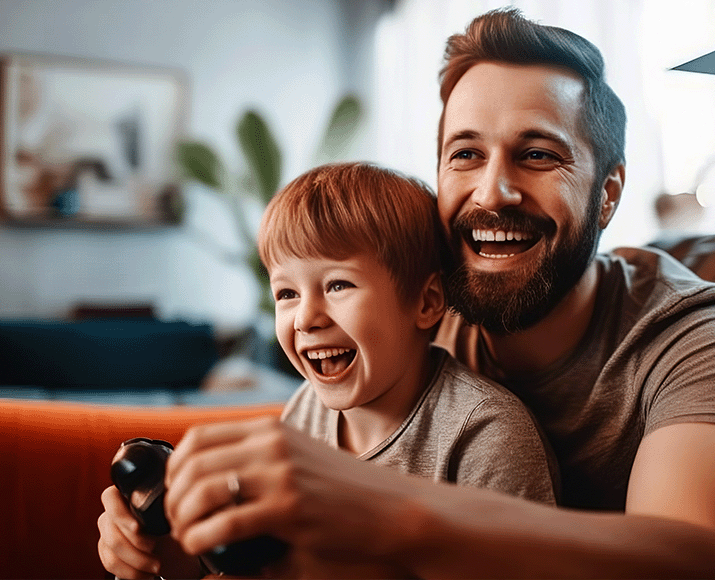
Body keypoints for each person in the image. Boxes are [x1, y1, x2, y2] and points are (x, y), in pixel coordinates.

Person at [158, 8, 715, 579]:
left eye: (536, 155)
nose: (491, 193)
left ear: (609, 193)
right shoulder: (424, 301)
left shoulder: (699, 336)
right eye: (465, 154)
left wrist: (390, 514)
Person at [98, 162, 558, 579]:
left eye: (338, 284)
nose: (305, 318)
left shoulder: (486, 435)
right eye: (286, 294)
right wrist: (154, 546)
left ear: (426, 302)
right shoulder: (305, 412)